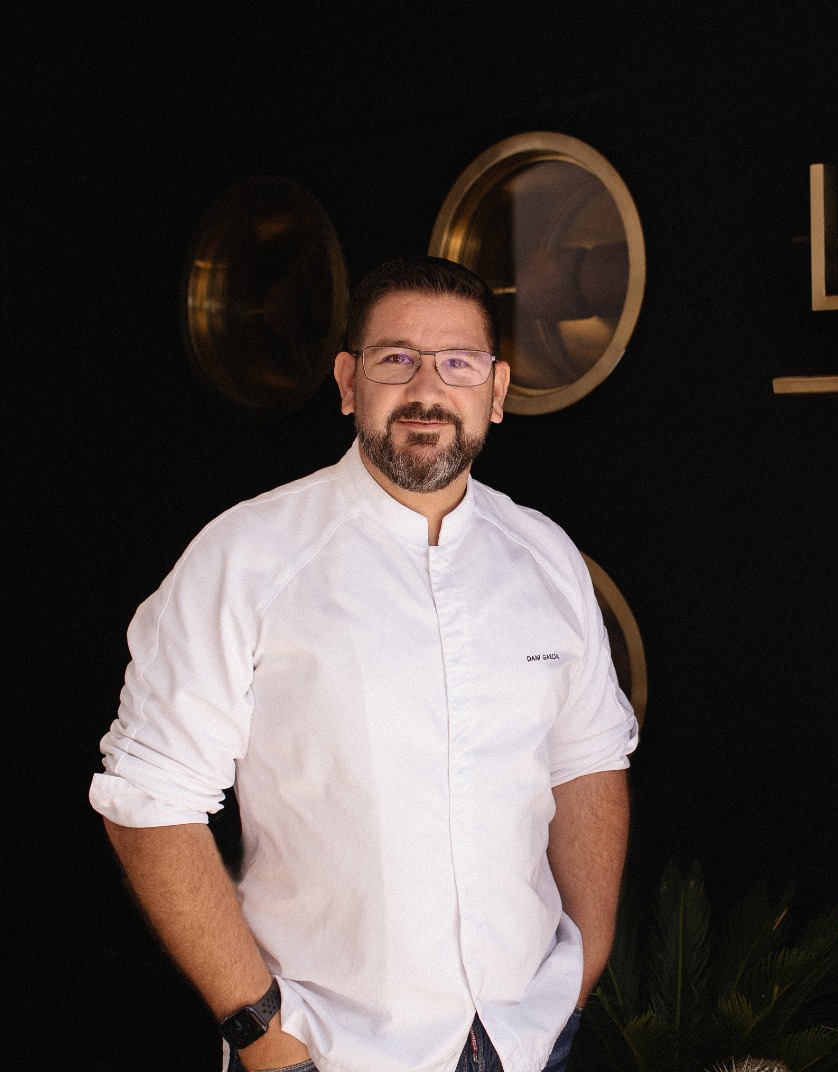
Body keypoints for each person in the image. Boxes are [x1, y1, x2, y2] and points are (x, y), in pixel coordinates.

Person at [90, 256, 638, 1072]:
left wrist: (581, 971)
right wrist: (263, 1035)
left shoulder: (545, 557)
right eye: (396, 359)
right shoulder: (247, 556)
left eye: (458, 363)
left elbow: (588, 762)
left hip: (526, 1037)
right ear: (349, 383)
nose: (427, 389)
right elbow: (147, 801)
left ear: (496, 390)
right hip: (329, 1049)